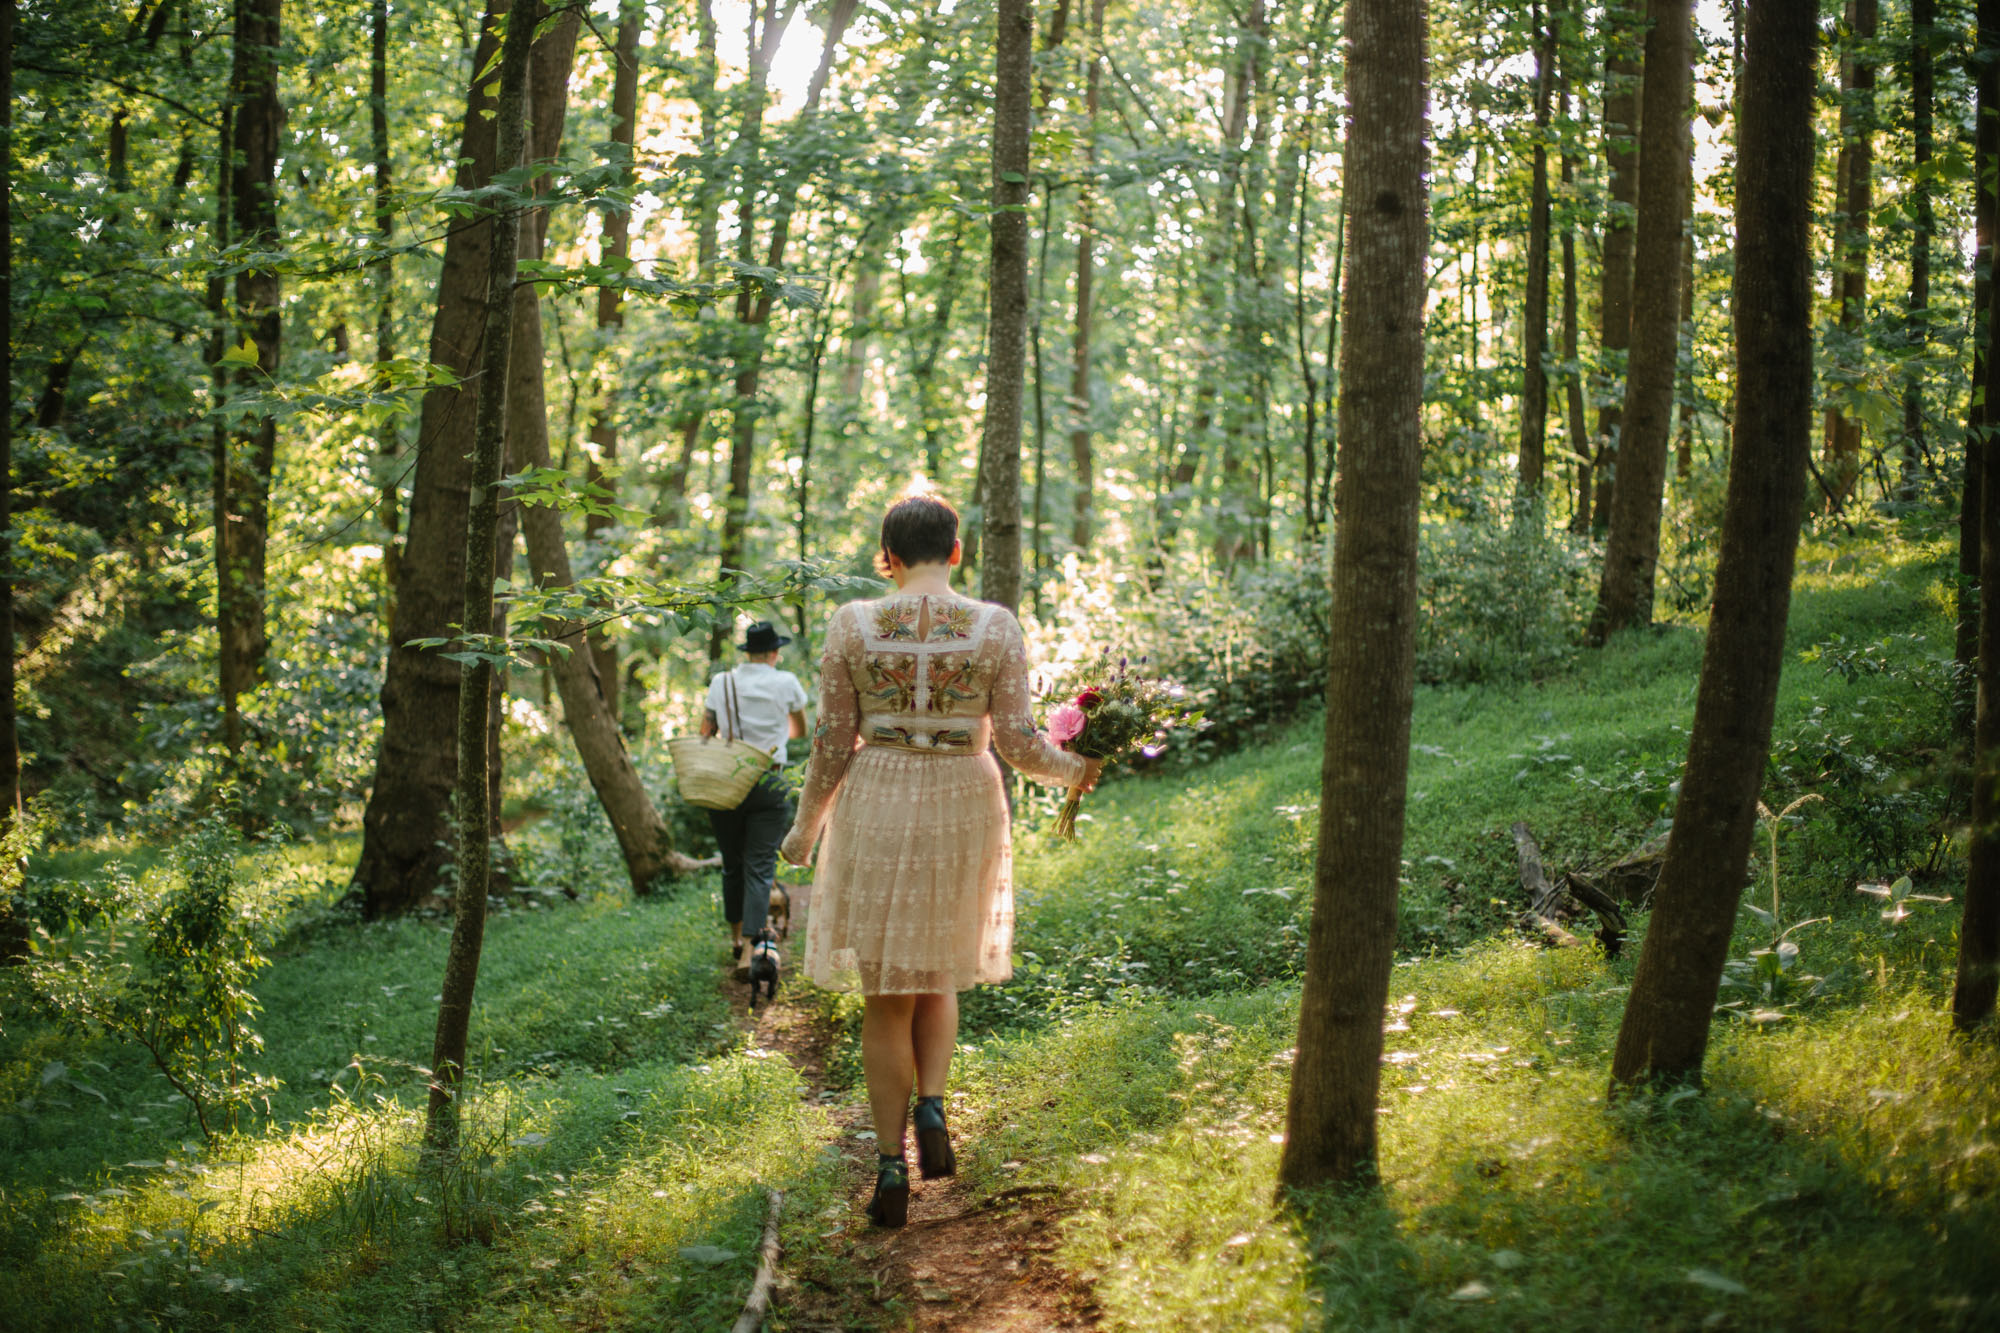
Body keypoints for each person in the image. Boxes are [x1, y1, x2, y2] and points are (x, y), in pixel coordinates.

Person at [779, 493, 1102, 1228]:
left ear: (885, 555)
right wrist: (1076, 769)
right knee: (938, 965)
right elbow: (1020, 742)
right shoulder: (994, 625)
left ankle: (891, 1163)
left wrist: (805, 829)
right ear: (957, 550)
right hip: (964, 796)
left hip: (878, 797)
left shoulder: (852, 624)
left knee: (886, 988)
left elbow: (832, 739)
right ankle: (933, 1105)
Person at [703, 620, 810, 979]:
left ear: (747, 653)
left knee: (732, 863)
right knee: (760, 865)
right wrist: (774, 730)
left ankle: (735, 939)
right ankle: (750, 953)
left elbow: (706, 731)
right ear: (773, 653)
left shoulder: (722, 682)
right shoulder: (786, 682)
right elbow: (799, 730)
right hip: (769, 778)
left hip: (726, 781)